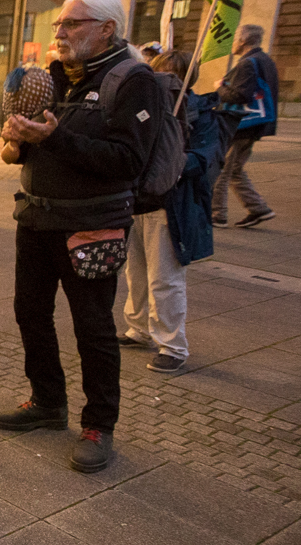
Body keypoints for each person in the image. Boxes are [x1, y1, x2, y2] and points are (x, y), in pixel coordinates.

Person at [0, 0, 157, 474]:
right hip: (37, 220)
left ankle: (99, 425)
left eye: (72, 24)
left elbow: (128, 161)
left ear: (107, 29)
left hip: (92, 226)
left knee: (93, 327)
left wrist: (55, 137)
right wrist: (19, 145)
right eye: (59, 26)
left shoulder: (133, 80)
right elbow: (38, 146)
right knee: (30, 313)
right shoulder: (51, 78)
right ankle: (48, 401)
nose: (61, 33)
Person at [119, 50, 226, 374]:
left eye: (172, 76)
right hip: (138, 202)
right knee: (136, 272)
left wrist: (171, 162)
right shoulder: (147, 105)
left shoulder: (199, 113)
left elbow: (205, 156)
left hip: (169, 204)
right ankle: (139, 327)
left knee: (165, 278)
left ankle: (172, 345)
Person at [210, 24, 279, 228]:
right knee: (235, 169)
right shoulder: (265, 60)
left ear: (243, 41)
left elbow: (240, 95)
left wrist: (220, 88)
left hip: (240, 125)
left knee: (221, 169)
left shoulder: (247, 63)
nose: (232, 43)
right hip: (256, 124)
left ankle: (217, 214)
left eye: (234, 39)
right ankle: (259, 209)